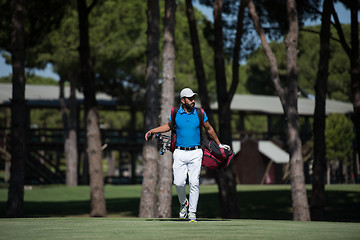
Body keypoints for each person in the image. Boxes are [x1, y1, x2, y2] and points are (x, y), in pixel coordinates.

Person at [144, 87, 229, 222]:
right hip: (179, 152)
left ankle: (192, 213)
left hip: (196, 152)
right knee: (178, 183)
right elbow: (169, 126)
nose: (193, 100)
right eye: (190, 98)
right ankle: (184, 204)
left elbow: (209, 128)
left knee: (194, 182)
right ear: (183, 100)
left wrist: (219, 144)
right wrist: (153, 130)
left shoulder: (200, 113)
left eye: (193, 98)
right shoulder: (175, 112)